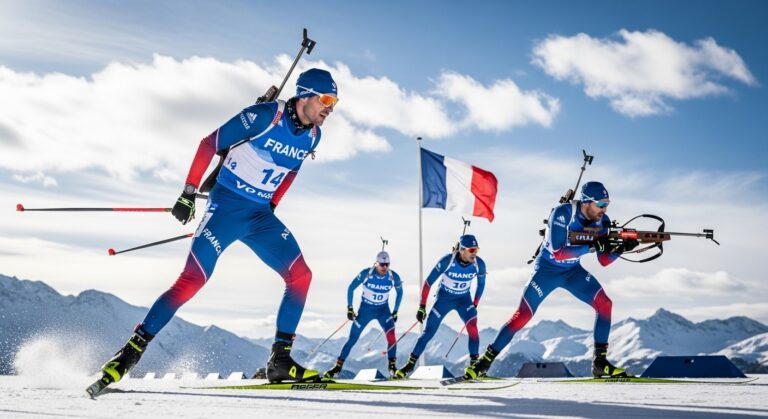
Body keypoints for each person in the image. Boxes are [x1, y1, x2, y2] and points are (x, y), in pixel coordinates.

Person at [92, 68, 339, 391]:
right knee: (192, 279)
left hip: (260, 215)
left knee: (300, 276)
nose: (330, 108)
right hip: (226, 209)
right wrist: (188, 192)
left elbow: (290, 171)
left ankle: (280, 361)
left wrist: (273, 204)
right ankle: (129, 353)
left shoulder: (313, 135)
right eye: (326, 99)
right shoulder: (265, 116)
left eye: (335, 103)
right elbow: (210, 143)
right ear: (305, 94)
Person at [464, 181, 639, 380]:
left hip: (573, 272)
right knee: (522, 316)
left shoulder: (603, 221)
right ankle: (484, 362)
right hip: (546, 271)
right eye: (601, 204)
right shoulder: (563, 213)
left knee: (605, 304)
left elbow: (604, 260)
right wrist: (592, 246)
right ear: (587, 202)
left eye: (607, 204)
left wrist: (620, 249)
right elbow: (558, 253)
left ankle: (600, 363)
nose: (604, 209)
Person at [394, 234, 486, 379]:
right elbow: (428, 282)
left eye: (477, 250)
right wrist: (422, 306)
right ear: (462, 250)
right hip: (444, 299)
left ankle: (475, 366)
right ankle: (409, 366)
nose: (475, 253)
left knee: (473, 328)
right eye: (471, 250)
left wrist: (475, 304)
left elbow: (481, 285)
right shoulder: (447, 261)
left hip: (464, 300)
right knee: (428, 332)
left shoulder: (479, 264)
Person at [323, 251, 404, 379]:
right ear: (376, 263)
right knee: (352, 339)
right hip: (365, 310)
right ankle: (337, 368)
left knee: (392, 337)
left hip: (383, 311)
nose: (384, 267)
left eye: (387, 264)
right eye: (382, 264)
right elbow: (351, 288)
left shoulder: (393, 276)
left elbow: (400, 292)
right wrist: (350, 308)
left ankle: (392, 367)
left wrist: (395, 311)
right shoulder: (366, 273)